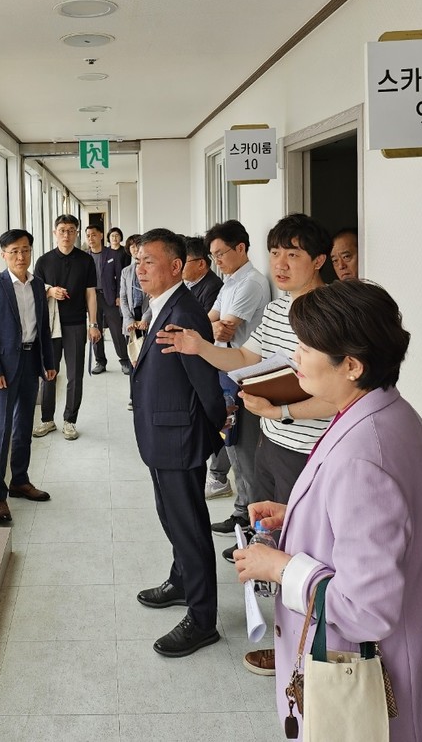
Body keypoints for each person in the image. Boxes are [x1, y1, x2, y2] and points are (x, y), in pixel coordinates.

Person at [233, 279, 422, 742]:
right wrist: (298, 514)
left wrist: (280, 567)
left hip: (380, 697)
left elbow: (365, 609)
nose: (294, 357)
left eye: (306, 348)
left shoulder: (364, 455)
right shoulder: (386, 412)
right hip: (413, 663)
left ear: (352, 366)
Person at [158, 213, 336, 676]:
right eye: (275, 252)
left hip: (314, 450)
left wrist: (281, 411)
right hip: (272, 445)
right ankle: (287, 642)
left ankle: (312, 656)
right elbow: (243, 356)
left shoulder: (335, 313)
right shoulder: (277, 310)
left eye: (293, 254)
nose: (280, 263)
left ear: (319, 260)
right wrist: (199, 347)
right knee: (274, 544)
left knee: (307, 552)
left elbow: (341, 393)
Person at [132, 228, 226, 658]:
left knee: (189, 527)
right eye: (138, 261)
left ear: (175, 266)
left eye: (149, 261)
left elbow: (205, 382)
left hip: (179, 438)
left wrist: (213, 431)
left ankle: (202, 619)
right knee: (170, 516)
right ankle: (182, 580)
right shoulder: (161, 304)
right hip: (162, 433)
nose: (140, 269)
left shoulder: (184, 312)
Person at [0, 229, 56, 524]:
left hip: (30, 360)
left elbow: (43, 327)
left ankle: (20, 481)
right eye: (14, 251)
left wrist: (48, 362)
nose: (21, 256)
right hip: (2, 368)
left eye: (25, 250)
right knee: (0, 431)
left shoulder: (37, 285)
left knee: (24, 425)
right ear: (4, 255)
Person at [202, 221, 270, 504]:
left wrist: (211, 328)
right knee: (230, 440)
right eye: (213, 255)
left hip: (244, 373)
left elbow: (225, 329)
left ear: (240, 248)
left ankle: (249, 511)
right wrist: (211, 328)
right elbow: (209, 322)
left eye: (220, 253)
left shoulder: (252, 282)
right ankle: (242, 506)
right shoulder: (230, 282)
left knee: (242, 447)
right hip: (226, 369)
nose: (216, 261)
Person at [33, 214, 101, 441]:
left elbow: (91, 294)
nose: (66, 235)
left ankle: (70, 420)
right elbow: (34, 290)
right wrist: (50, 291)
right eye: (62, 230)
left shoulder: (86, 260)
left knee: (75, 375)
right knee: (49, 373)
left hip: (76, 324)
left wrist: (93, 324)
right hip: (50, 325)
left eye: (71, 230)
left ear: (76, 233)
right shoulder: (43, 261)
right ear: (55, 233)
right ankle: (47, 419)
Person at [86, 224, 130, 375]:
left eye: (93, 235)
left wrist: (119, 296)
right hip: (92, 297)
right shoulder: (85, 256)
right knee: (95, 329)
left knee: (116, 330)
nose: (90, 238)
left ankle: (124, 360)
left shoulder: (112, 254)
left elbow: (119, 277)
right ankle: (100, 361)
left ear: (100, 235)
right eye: (88, 236)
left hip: (110, 297)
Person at [119, 234, 151, 410]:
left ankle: (146, 395)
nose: (135, 249)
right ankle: (134, 397)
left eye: (138, 246)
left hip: (147, 317)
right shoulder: (126, 271)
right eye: (132, 246)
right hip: (131, 320)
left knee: (147, 358)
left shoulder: (150, 268)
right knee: (133, 358)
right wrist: (129, 319)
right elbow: (123, 298)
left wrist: (146, 318)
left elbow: (155, 295)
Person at [182, 236, 223, 312]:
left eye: (184, 262)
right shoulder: (186, 283)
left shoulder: (213, 288)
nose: (180, 266)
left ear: (201, 264)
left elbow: (205, 319)